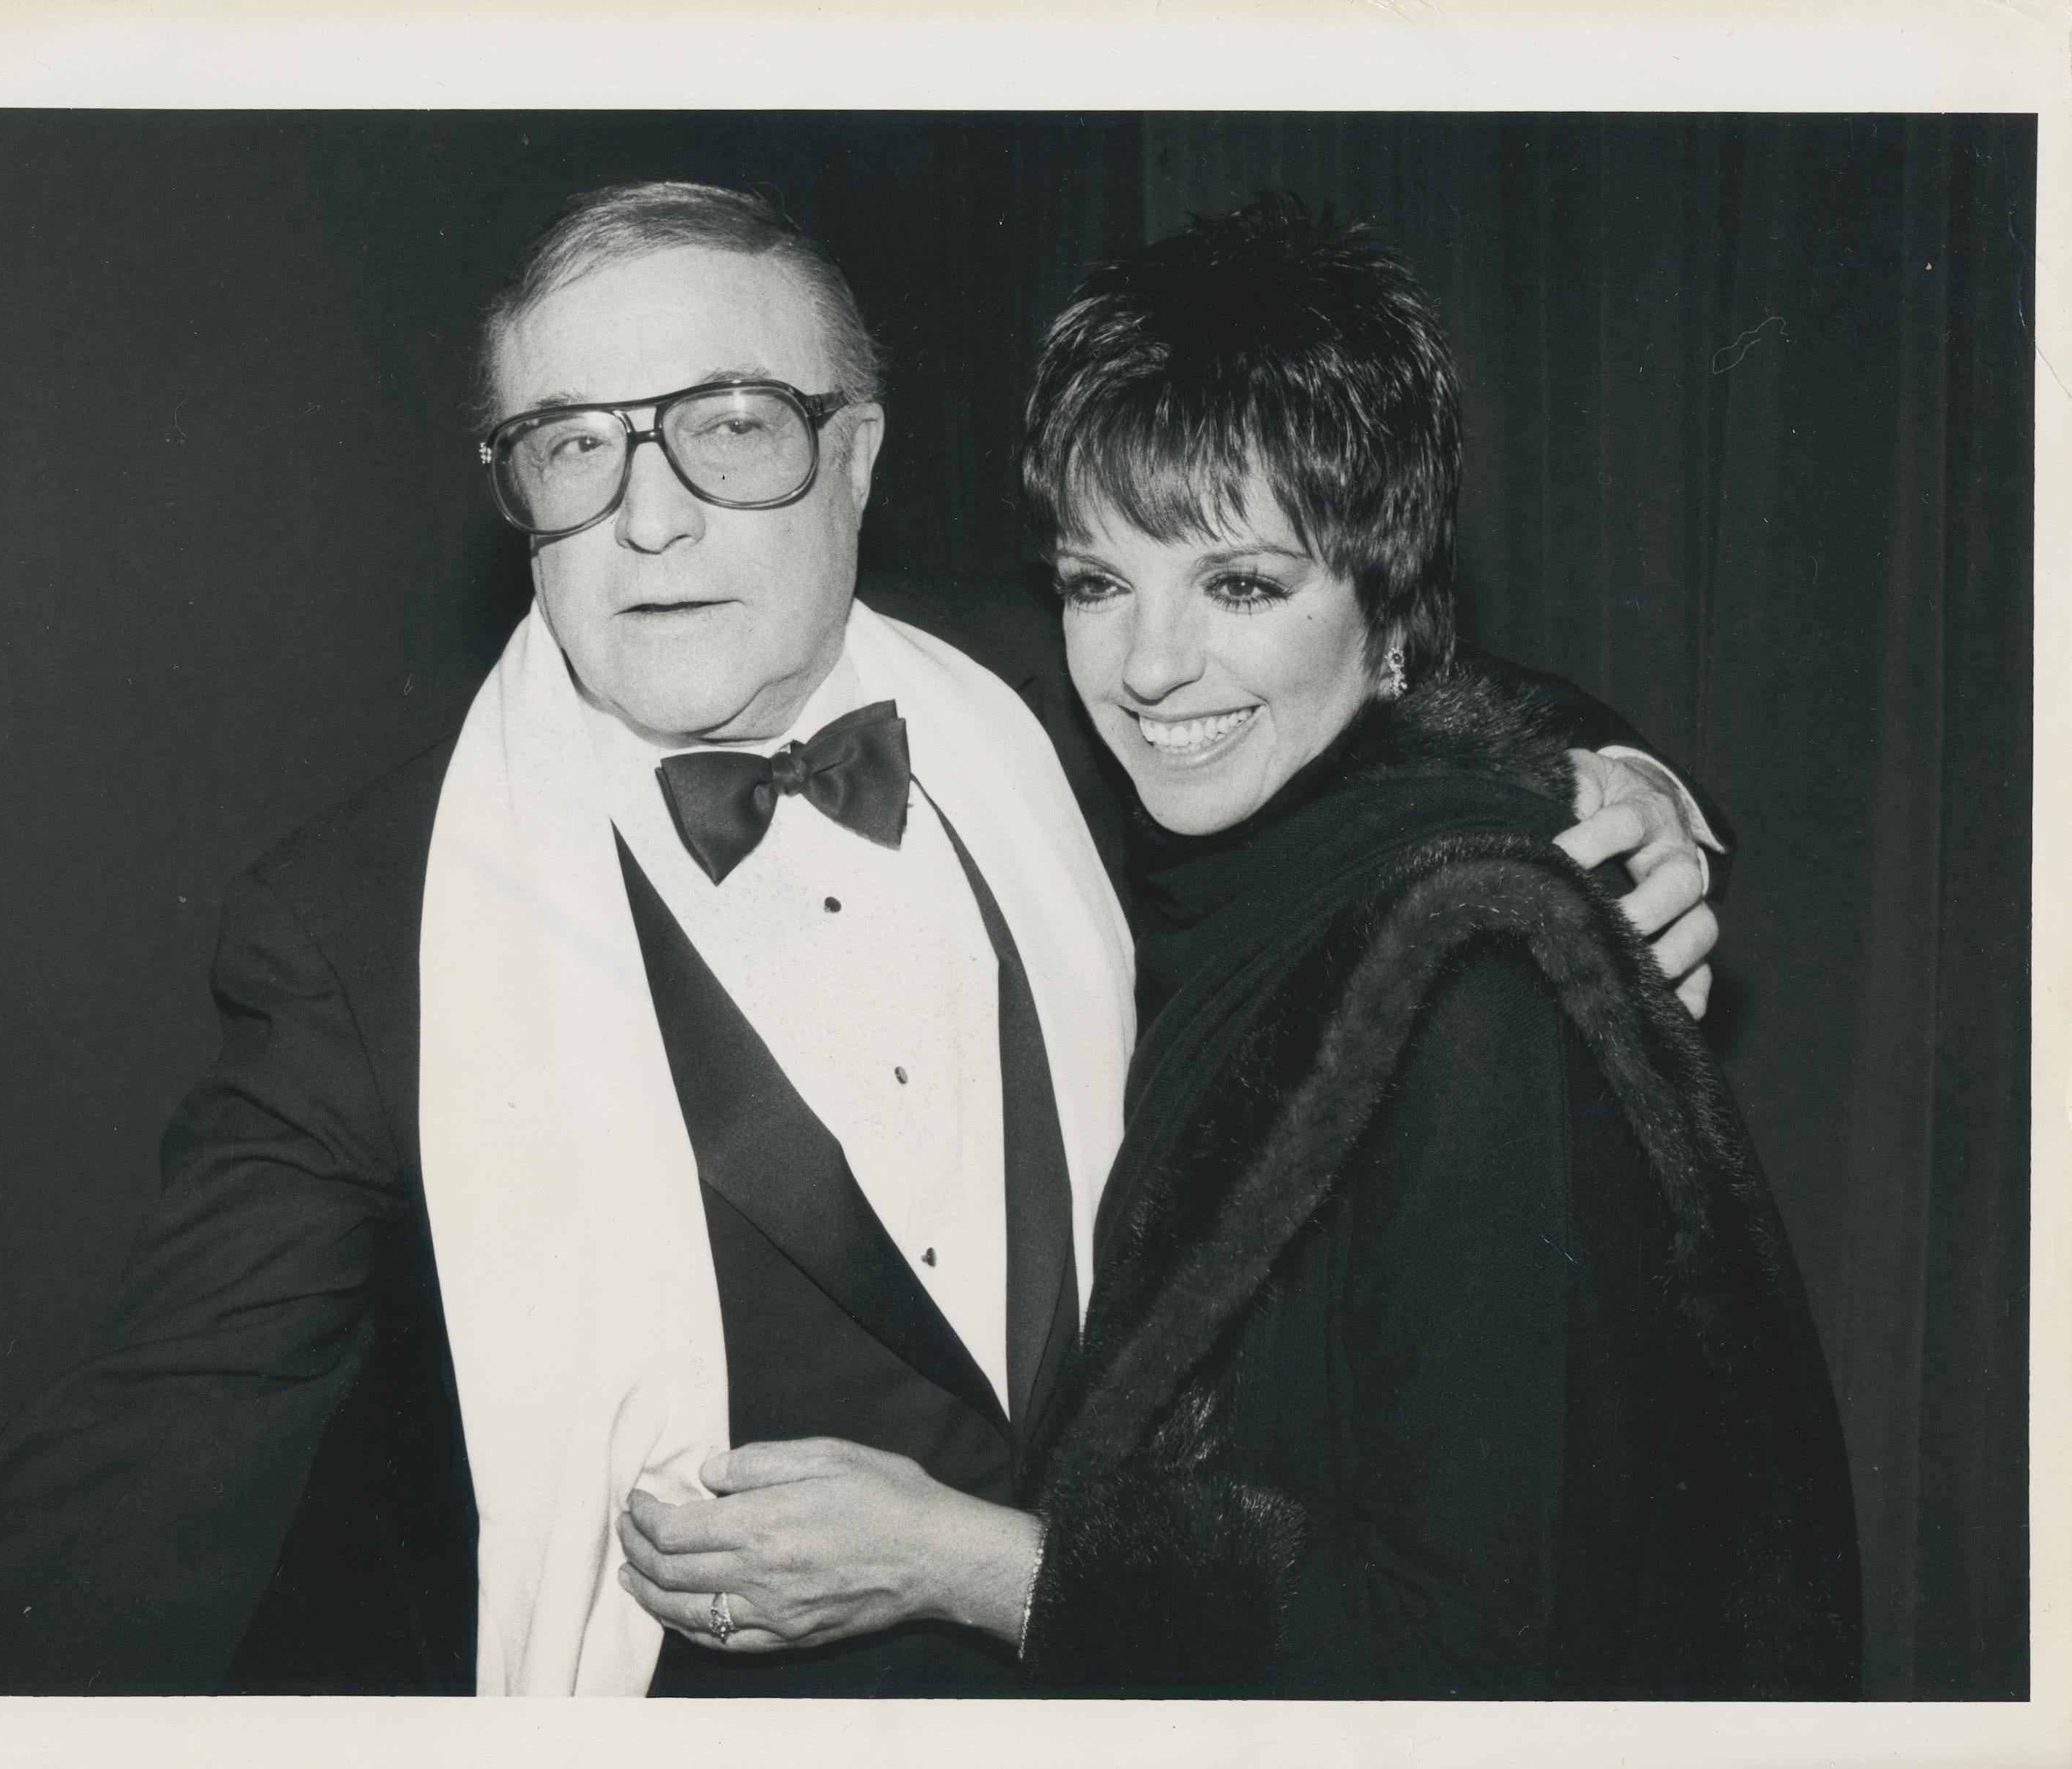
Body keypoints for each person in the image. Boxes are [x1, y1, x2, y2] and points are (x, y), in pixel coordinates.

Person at [0, 183, 1726, 1698]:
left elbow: (1333, 666)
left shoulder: (1064, 683)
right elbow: (158, 1447)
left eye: (727, 425)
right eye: (570, 446)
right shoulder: (362, 924)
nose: (649, 511)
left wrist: (1595, 764)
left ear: (855, 456)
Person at [611, 197, 1860, 1698]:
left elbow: (1478, 1657)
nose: (1147, 669)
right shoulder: (1127, 792)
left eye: (1243, 586)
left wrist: (962, 1560)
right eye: (1097, 582)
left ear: (1388, 599)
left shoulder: (1472, 984)